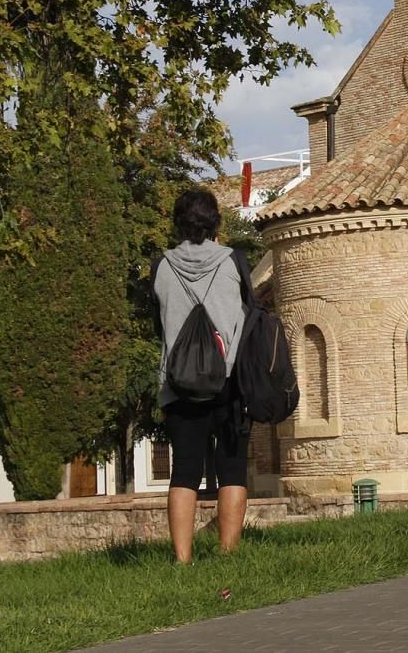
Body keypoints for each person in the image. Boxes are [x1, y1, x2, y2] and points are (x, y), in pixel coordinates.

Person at [151, 188, 249, 563]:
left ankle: (181, 559)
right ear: (215, 223)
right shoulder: (234, 261)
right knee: (233, 469)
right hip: (229, 382)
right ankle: (228, 555)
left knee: (184, 471)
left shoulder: (161, 266)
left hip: (179, 384)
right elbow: (249, 314)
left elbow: (157, 322)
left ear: (177, 223)